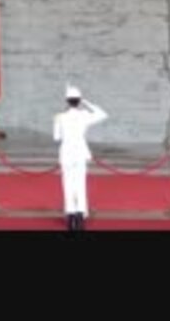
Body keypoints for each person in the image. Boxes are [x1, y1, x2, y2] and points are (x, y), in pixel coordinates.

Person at [53, 85, 108, 231]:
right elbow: (102, 114)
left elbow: (56, 137)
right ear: (79, 100)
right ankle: (80, 217)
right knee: (80, 185)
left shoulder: (60, 117)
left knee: (68, 185)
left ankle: (70, 216)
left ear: (67, 101)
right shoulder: (84, 115)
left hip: (66, 153)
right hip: (80, 153)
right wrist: (86, 102)